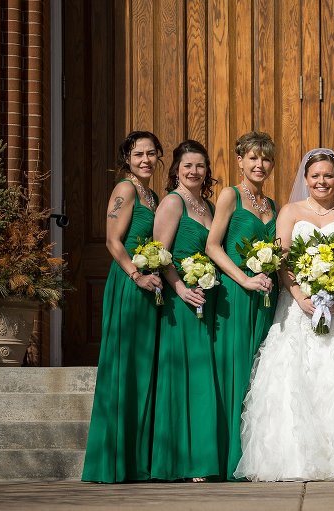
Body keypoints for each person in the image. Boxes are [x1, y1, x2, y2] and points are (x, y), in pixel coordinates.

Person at [233, 148, 334, 482]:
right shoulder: (290, 211)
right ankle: (293, 459)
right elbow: (282, 260)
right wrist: (300, 296)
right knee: (295, 372)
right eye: (315, 176)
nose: (322, 181)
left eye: (328, 175)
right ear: (305, 179)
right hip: (297, 305)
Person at [82, 131, 164, 483]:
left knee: (143, 369)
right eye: (138, 154)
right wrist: (136, 275)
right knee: (124, 366)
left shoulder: (153, 195)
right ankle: (112, 462)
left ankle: (137, 460)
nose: (145, 160)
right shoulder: (125, 189)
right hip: (130, 285)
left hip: (150, 285)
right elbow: (112, 241)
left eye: (151, 153)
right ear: (127, 159)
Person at [205, 131, 278, 480]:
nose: (259, 164)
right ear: (240, 161)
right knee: (235, 369)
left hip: (267, 296)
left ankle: (256, 454)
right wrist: (244, 280)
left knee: (259, 372)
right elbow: (213, 246)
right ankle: (229, 456)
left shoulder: (272, 205)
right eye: (253, 157)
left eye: (265, 158)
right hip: (236, 294)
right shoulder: (230, 196)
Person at [150, 140, 219, 481]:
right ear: (176, 169)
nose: (194, 171)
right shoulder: (172, 202)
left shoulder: (208, 205)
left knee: (203, 379)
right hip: (182, 301)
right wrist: (180, 287)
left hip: (208, 298)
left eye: (200, 166)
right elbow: (159, 254)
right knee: (184, 377)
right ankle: (182, 460)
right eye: (187, 165)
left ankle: (204, 456)